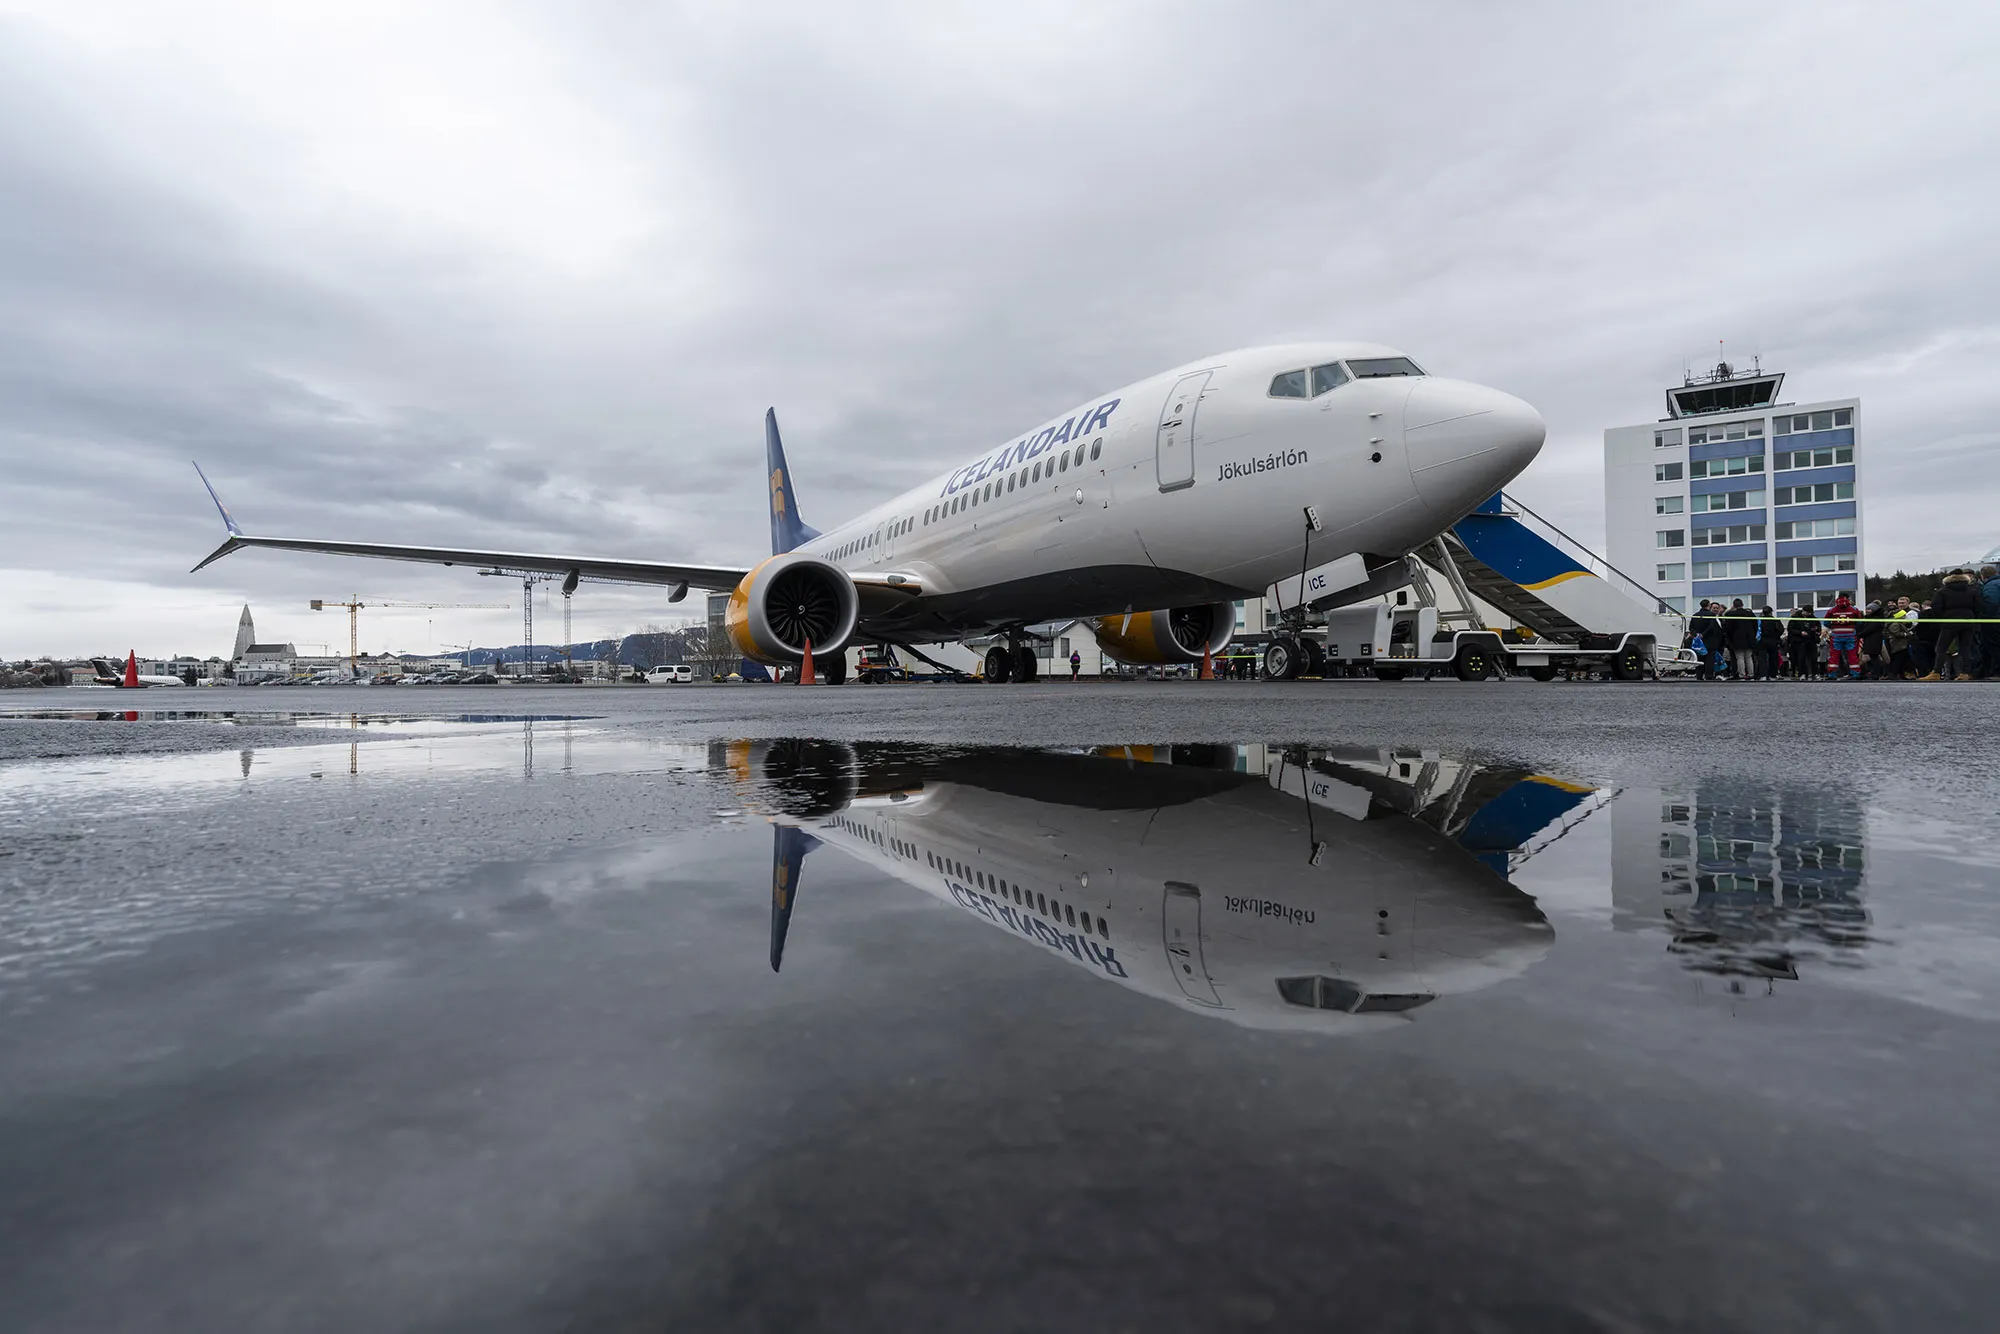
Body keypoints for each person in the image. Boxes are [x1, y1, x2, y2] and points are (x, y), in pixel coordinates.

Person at [1924, 569, 1982, 681]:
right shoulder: (1972, 590)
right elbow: (1979, 606)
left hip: (1949, 621)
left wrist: (1941, 619)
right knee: (1965, 648)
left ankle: (1936, 672)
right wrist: (1973, 617)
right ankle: (1965, 673)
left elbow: (1936, 607)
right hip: (1968, 621)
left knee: (1941, 648)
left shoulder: (1942, 591)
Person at [1824, 595, 1863, 680]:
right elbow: (1860, 622)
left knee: (1834, 656)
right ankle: (1855, 673)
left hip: (1836, 636)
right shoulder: (1854, 609)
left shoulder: (1832, 610)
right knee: (1852, 655)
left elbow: (1826, 622)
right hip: (1850, 636)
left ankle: (1832, 674)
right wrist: (1853, 627)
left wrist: (1833, 627)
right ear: (1848, 599)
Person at [1724, 599, 1758, 681]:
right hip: (1749, 639)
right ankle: (1751, 674)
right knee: (1749, 657)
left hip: (1736, 639)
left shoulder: (1730, 614)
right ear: (1742, 604)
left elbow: (1728, 628)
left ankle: (1742, 675)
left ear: (1734, 605)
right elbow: (1755, 626)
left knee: (1740, 658)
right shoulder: (1750, 614)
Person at [1786, 604, 1822, 679]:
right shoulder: (1795, 618)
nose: (1810, 614)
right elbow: (1790, 629)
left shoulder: (1813, 618)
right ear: (1804, 611)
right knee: (1801, 658)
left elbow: (1818, 627)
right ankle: (1802, 673)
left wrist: (1817, 630)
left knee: (1813, 658)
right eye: (1808, 612)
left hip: (1811, 640)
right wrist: (1800, 632)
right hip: (1799, 641)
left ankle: (1814, 673)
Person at [1885, 599, 1917, 680]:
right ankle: (1893, 674)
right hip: (1898, 645)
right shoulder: (1895, 624)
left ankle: (1901, 674)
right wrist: (1905, 634)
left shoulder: (1900, 623)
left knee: (1902, 660)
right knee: (1898, 660)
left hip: (1902, 644)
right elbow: (1896, 633)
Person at [1978, 565, 2000, 682]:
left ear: (1983, 576)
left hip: (1992, 620)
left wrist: (1986, 616)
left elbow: (1991, 602)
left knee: (1994, 645)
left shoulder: (1990, 586)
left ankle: (1997, 672)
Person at [1757, 605, 1783, 679]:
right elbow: (1781, 630)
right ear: (1770, 612)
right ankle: (1773, 674)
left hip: (1762, 641)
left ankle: (1763, 675)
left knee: (1762, 659)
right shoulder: (1775, 620)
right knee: (1773, 658)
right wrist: (1776, 636)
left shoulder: (1760, 621)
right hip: (1773, 641)